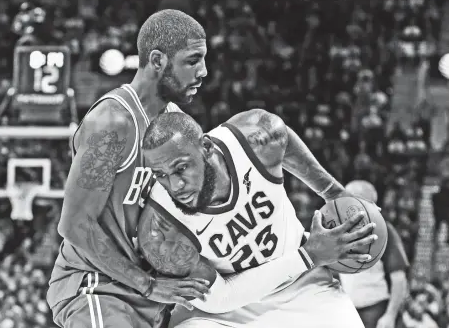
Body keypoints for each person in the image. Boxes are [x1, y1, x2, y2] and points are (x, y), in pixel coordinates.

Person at [137, 110, 379, 328]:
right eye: (160, 175)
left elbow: (282, 136)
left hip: (304, 284)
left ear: (207, 147)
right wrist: (309, 255)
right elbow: (220, 297)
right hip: (226, 313)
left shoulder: (253, 139)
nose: (175, 185)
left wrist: (334, 193)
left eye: (181, 168)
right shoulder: (160, 229)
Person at [47, 9, 210, 328]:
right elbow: (75, 224)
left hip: (153, 298)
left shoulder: (176, 123)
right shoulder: (112, 123)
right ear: (158, 61)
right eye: (193, 60)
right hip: (99, 288)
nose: (203, 71)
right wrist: (148, 285)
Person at [340, 180, 409, 328]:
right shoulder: (340, 231)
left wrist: (390, 315)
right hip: (349, 312)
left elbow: (399, 279)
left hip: (377, 311)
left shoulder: (384, 231)